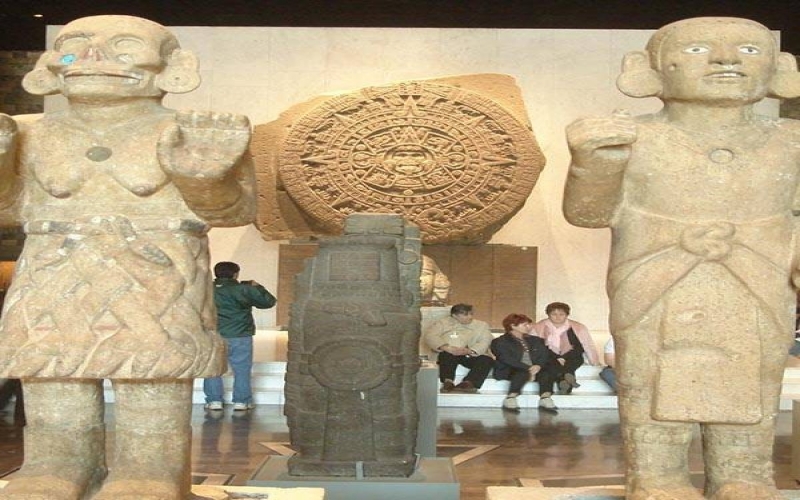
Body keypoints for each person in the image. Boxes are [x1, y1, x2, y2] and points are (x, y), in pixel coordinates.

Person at [0, 15, 255, 499]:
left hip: (158, 274)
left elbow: (234, 211)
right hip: (53, 272)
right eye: (74, 46)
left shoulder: (195, 130)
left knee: (153, 374)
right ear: (49, 66)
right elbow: (8, 210)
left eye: (124, 46)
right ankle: (55, 463)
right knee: (53, 371)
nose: (93, 57)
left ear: (172, 67)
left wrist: (204, 178)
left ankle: (150, 467)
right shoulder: (29, 132)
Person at [563, 17, 800, 500]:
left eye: (749, 50)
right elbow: (589, 214)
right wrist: (593, 164)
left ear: (780, 69)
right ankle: (656, 475)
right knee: (649, 378)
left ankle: (744, 473)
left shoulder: (791, 140)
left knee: (753, 376)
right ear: (648, 69)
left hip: (759, 276)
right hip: (655, 277)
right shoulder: (632, 136)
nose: (726, 59)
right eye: (696, 49)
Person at [203, 262, 276, 411]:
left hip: (213, 335)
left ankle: (214, 400)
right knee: (242, 369)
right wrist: (257, 286)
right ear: (235, 274)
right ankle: (241, 401)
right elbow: (269, 302)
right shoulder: (243, 289)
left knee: (213, 369)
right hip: (240, 334)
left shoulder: (206, 289)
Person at [491, 313, 559, 412]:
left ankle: (545, 398)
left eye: (529, 324)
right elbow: (506, 359)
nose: (529, 327)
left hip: (535, 368)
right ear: (513, 326)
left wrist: (538, 366)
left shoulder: (536, 340)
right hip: (511, 369)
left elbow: (544, 355)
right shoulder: (500, 341)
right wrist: (528, 369)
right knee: (522, 373)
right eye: (525, 325)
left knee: (547, 372)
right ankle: (511, 398)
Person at [423, 303, 494, 393]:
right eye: (465, 314)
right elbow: (430, 336)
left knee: (486, 360)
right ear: (454, 315)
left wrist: (470, 350)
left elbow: (485, 340)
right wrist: (446, 347)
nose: (470, 317)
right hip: (450, 352)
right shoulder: (442, 323)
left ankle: (469, 383)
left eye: (471, 314)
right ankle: (448, 382)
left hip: (470, 354)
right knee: (446, 355)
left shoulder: (482, 325)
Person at [533, 302, 600, 395]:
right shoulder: (538, 327)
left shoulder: (578, 327)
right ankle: (567, 379)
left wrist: (594, 361)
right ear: (548, 314)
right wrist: (557, 357)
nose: (558, 317)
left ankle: (565, 378)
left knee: (575, 359)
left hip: (571, 356)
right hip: (548, 355)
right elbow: (537, 347)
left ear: (567, 315)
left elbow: (584, 346)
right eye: (554, 314)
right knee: (551, 363)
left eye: (561, 314)